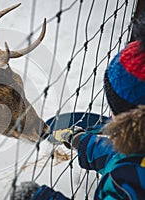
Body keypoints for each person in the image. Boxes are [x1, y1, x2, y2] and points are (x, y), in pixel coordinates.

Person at [13, 15, 145, 200]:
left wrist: (43, 197)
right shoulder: (137, 151)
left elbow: (124, 163)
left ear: (133, 116)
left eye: (114, 109)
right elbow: (118, 155)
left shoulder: (127, 184)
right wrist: (81, 141)